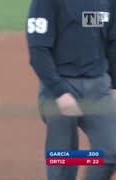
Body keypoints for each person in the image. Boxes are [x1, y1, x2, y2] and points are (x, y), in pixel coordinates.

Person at [26, 0, 116, 179]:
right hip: (60, 86)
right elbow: (38, 49)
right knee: (64, 161)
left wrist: (114, 85)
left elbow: (113, 42)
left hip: (99, 89)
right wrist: (60, 92)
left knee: (110, 152)